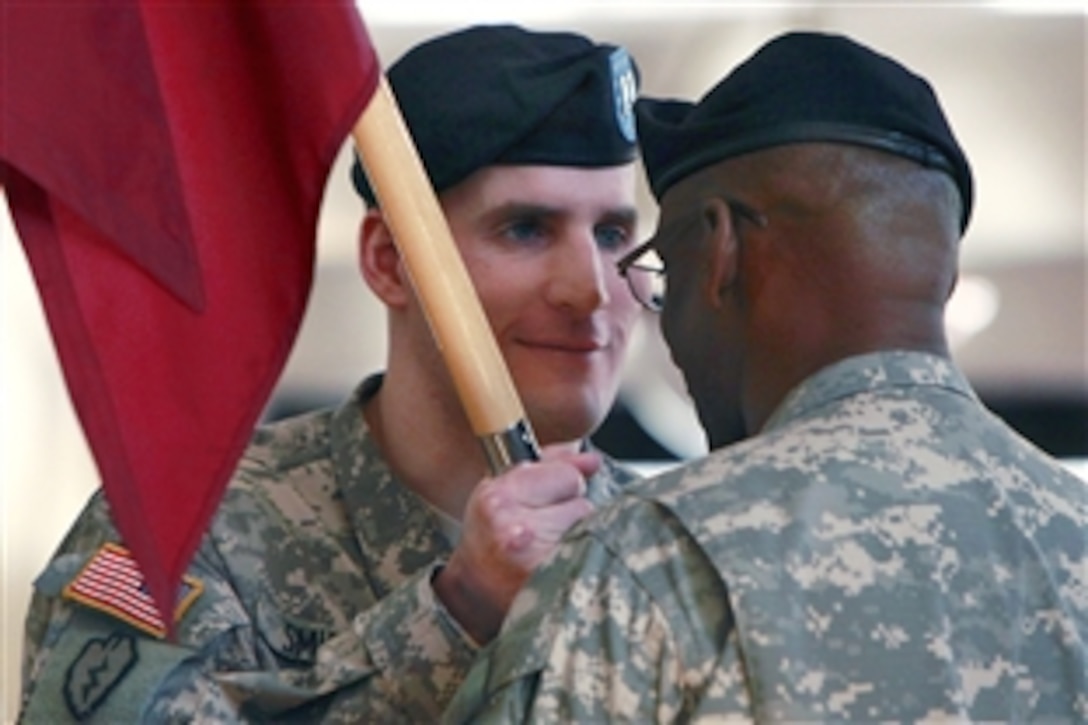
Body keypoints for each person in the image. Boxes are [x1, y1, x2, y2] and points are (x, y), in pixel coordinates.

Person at [444, 30, 1088, 722]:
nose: (667, 325)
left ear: (720, 249)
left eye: (666, 272)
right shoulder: (1073, 535)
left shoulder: (654, 555)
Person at [19, 24, 646, 722]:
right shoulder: (197, 537)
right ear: (386, 260)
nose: (589, 289)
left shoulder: (678, 546)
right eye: (526, 230)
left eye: (614, 235)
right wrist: (455, 615)